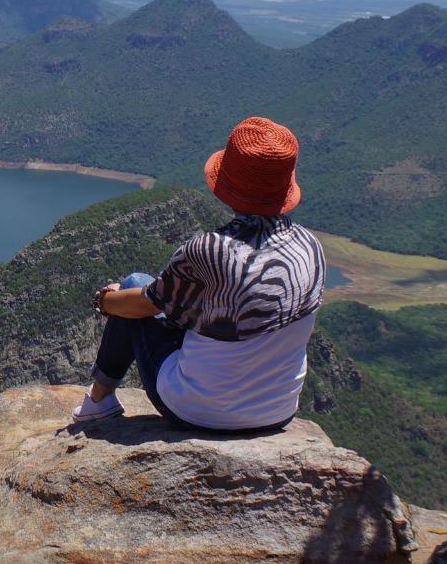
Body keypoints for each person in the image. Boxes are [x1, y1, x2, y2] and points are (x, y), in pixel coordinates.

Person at [75, 116, 326, 432]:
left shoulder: (209, 251)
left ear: (226, 185)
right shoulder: (311, 247)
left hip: (198, 411)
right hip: (278, 411)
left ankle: (97, 404)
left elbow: (144, 305)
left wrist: (107, 301)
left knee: (135, 284)